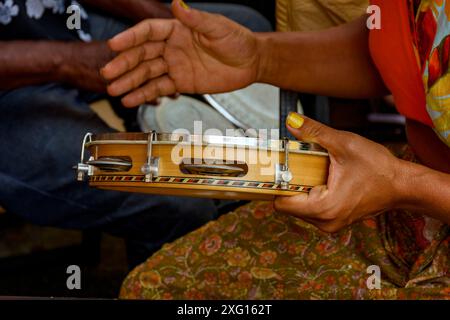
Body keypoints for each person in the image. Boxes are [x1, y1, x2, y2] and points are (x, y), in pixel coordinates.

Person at [103, 0, 450, 299]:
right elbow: (407, 46)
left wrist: (403, 184)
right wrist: (260, 58)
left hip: (413, 203)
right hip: (399, 221)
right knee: (157, 286)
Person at [0, 0, 271, 268]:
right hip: (9, 95)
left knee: (248, 34)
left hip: (62, 21)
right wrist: (69, 62)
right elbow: (68, 61)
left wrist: (164, 18)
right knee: (178, 201)